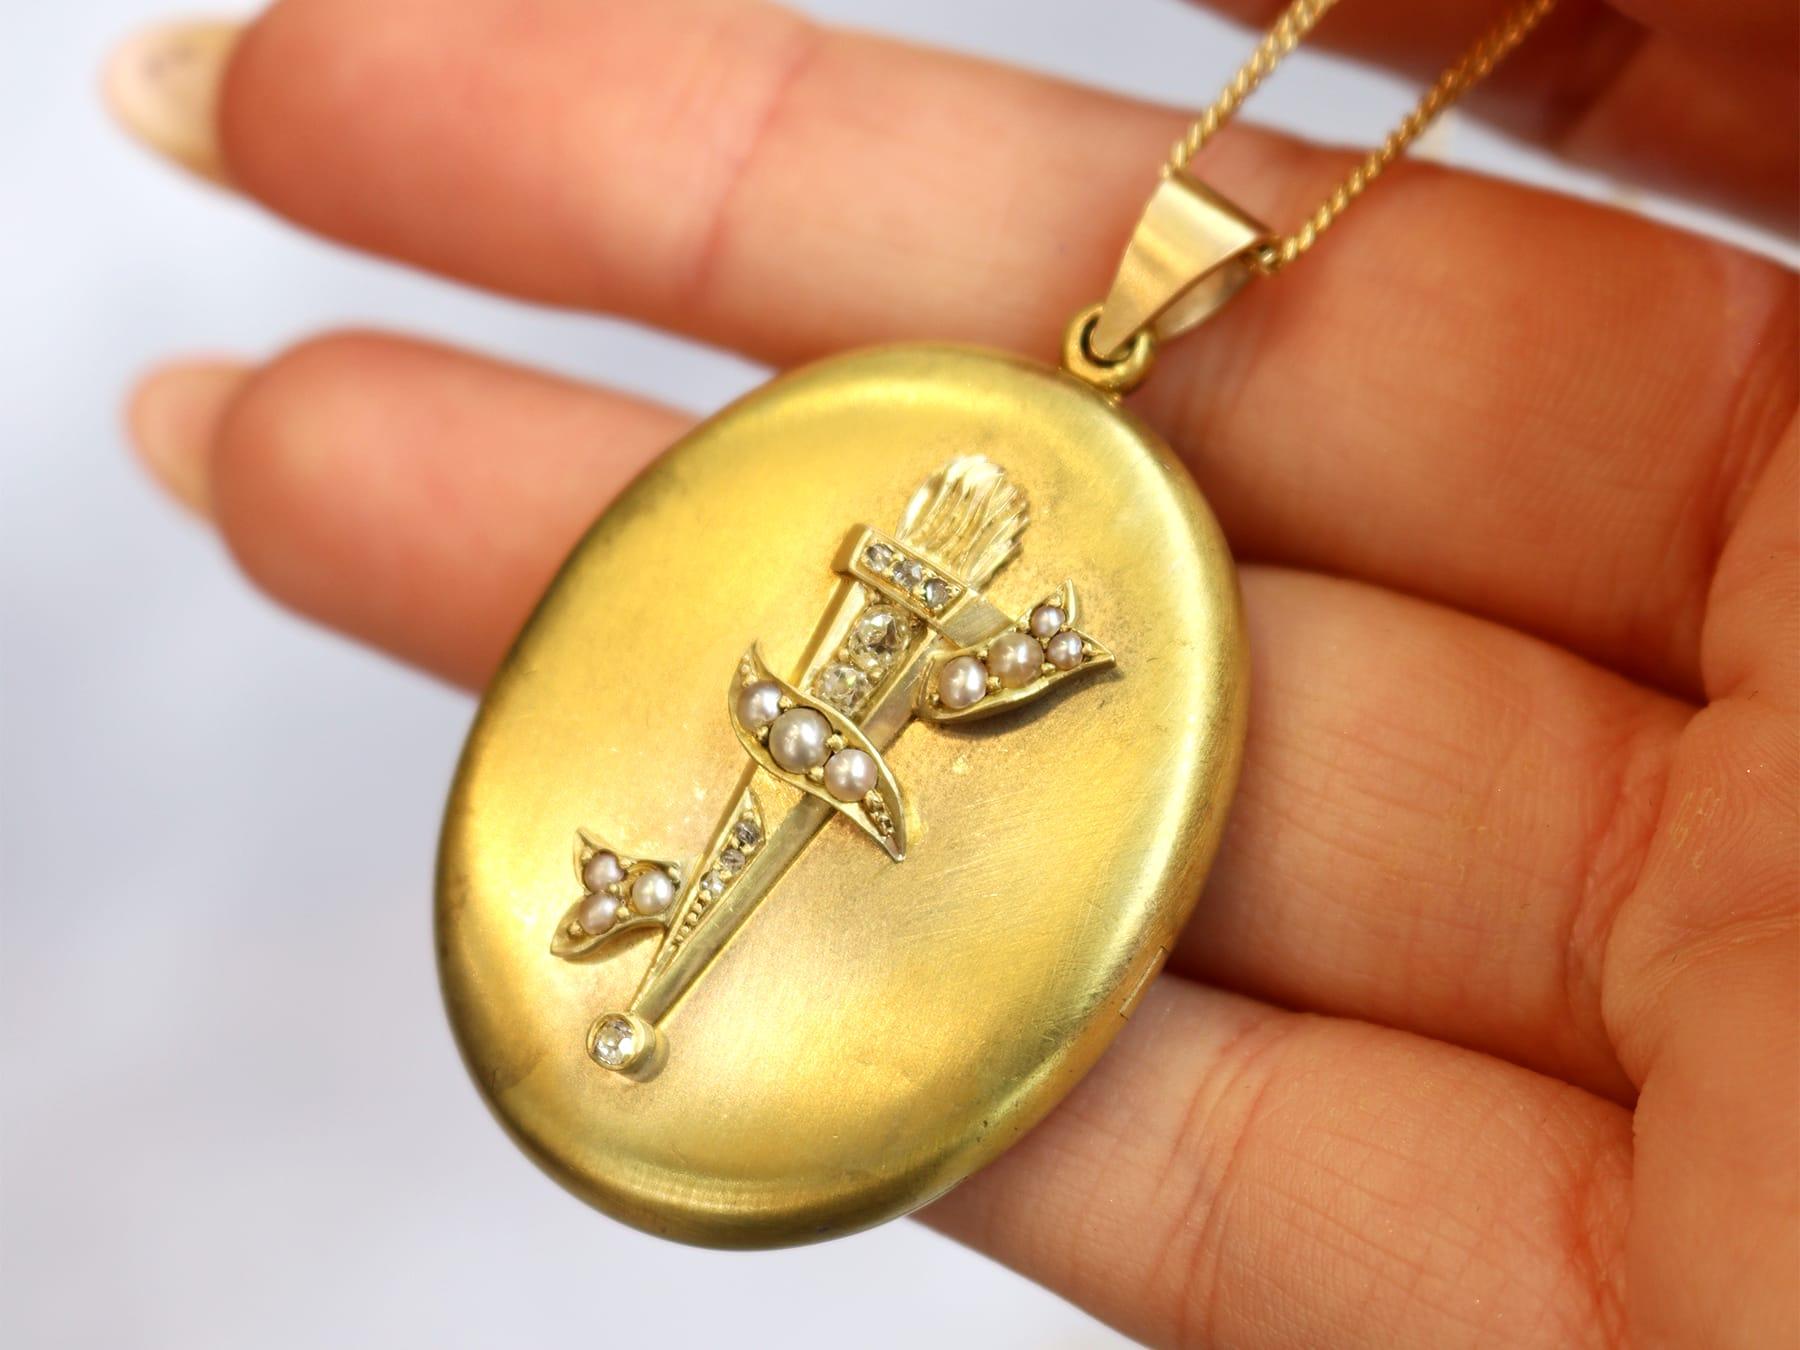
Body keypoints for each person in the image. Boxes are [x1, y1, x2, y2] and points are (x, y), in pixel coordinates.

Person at [106, 1, 1796, 1345]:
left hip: (869, 719)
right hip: (827, 722)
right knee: (757, 815)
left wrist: (1007, 664)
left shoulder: (976, 612)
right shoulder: (900, 564)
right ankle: (660, 954)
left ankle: (670, 947)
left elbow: (945, 694)